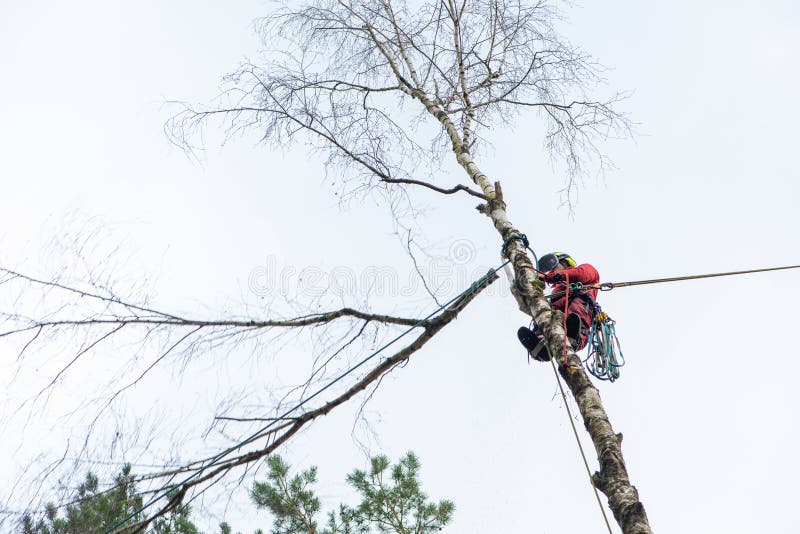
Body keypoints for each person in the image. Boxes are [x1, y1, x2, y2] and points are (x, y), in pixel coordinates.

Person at [517, 252, 600, 361]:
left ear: (565, 262)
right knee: (545, 312)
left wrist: (550, 277)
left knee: (577, 306)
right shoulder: (557, 289)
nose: (552, 271)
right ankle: (540, 342)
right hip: (559, 312)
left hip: (579, 307)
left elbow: (580, 274)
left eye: (554, 266)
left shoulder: (586, 269)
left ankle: (574, 336)